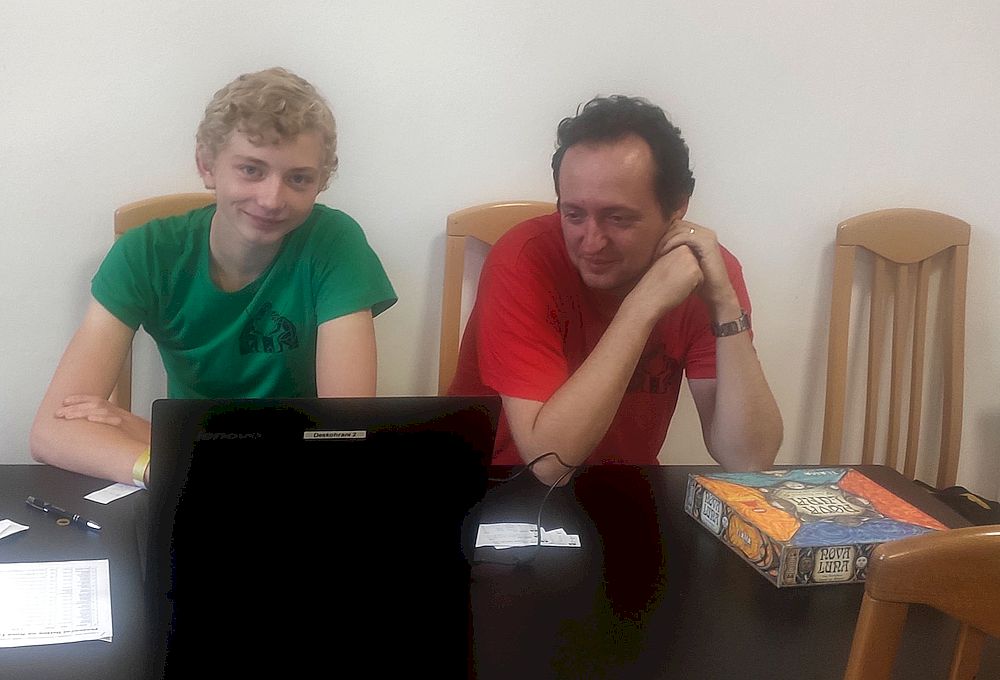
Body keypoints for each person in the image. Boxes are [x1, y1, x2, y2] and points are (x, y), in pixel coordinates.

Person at [31, 67, 397, 487]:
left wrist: (158, 439)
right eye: (251, 170)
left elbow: (344, 433)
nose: (271, 199)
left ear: (320, 183)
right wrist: (168, 467)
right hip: (194, 478)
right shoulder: (146, 252)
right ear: (207, 166)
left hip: (299, 481)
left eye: (298, 178)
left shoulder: (335, 243)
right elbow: (52, 433)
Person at [449, 95, 782, 484]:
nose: (591, 242)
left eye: (618, 218)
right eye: (573, 214)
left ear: (677, 207)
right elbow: (550, 462)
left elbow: (749, 458)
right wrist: (643, 306)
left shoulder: (703, 270)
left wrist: (724, 304)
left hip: (624, 486)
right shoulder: (521, 259)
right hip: (496, 483)